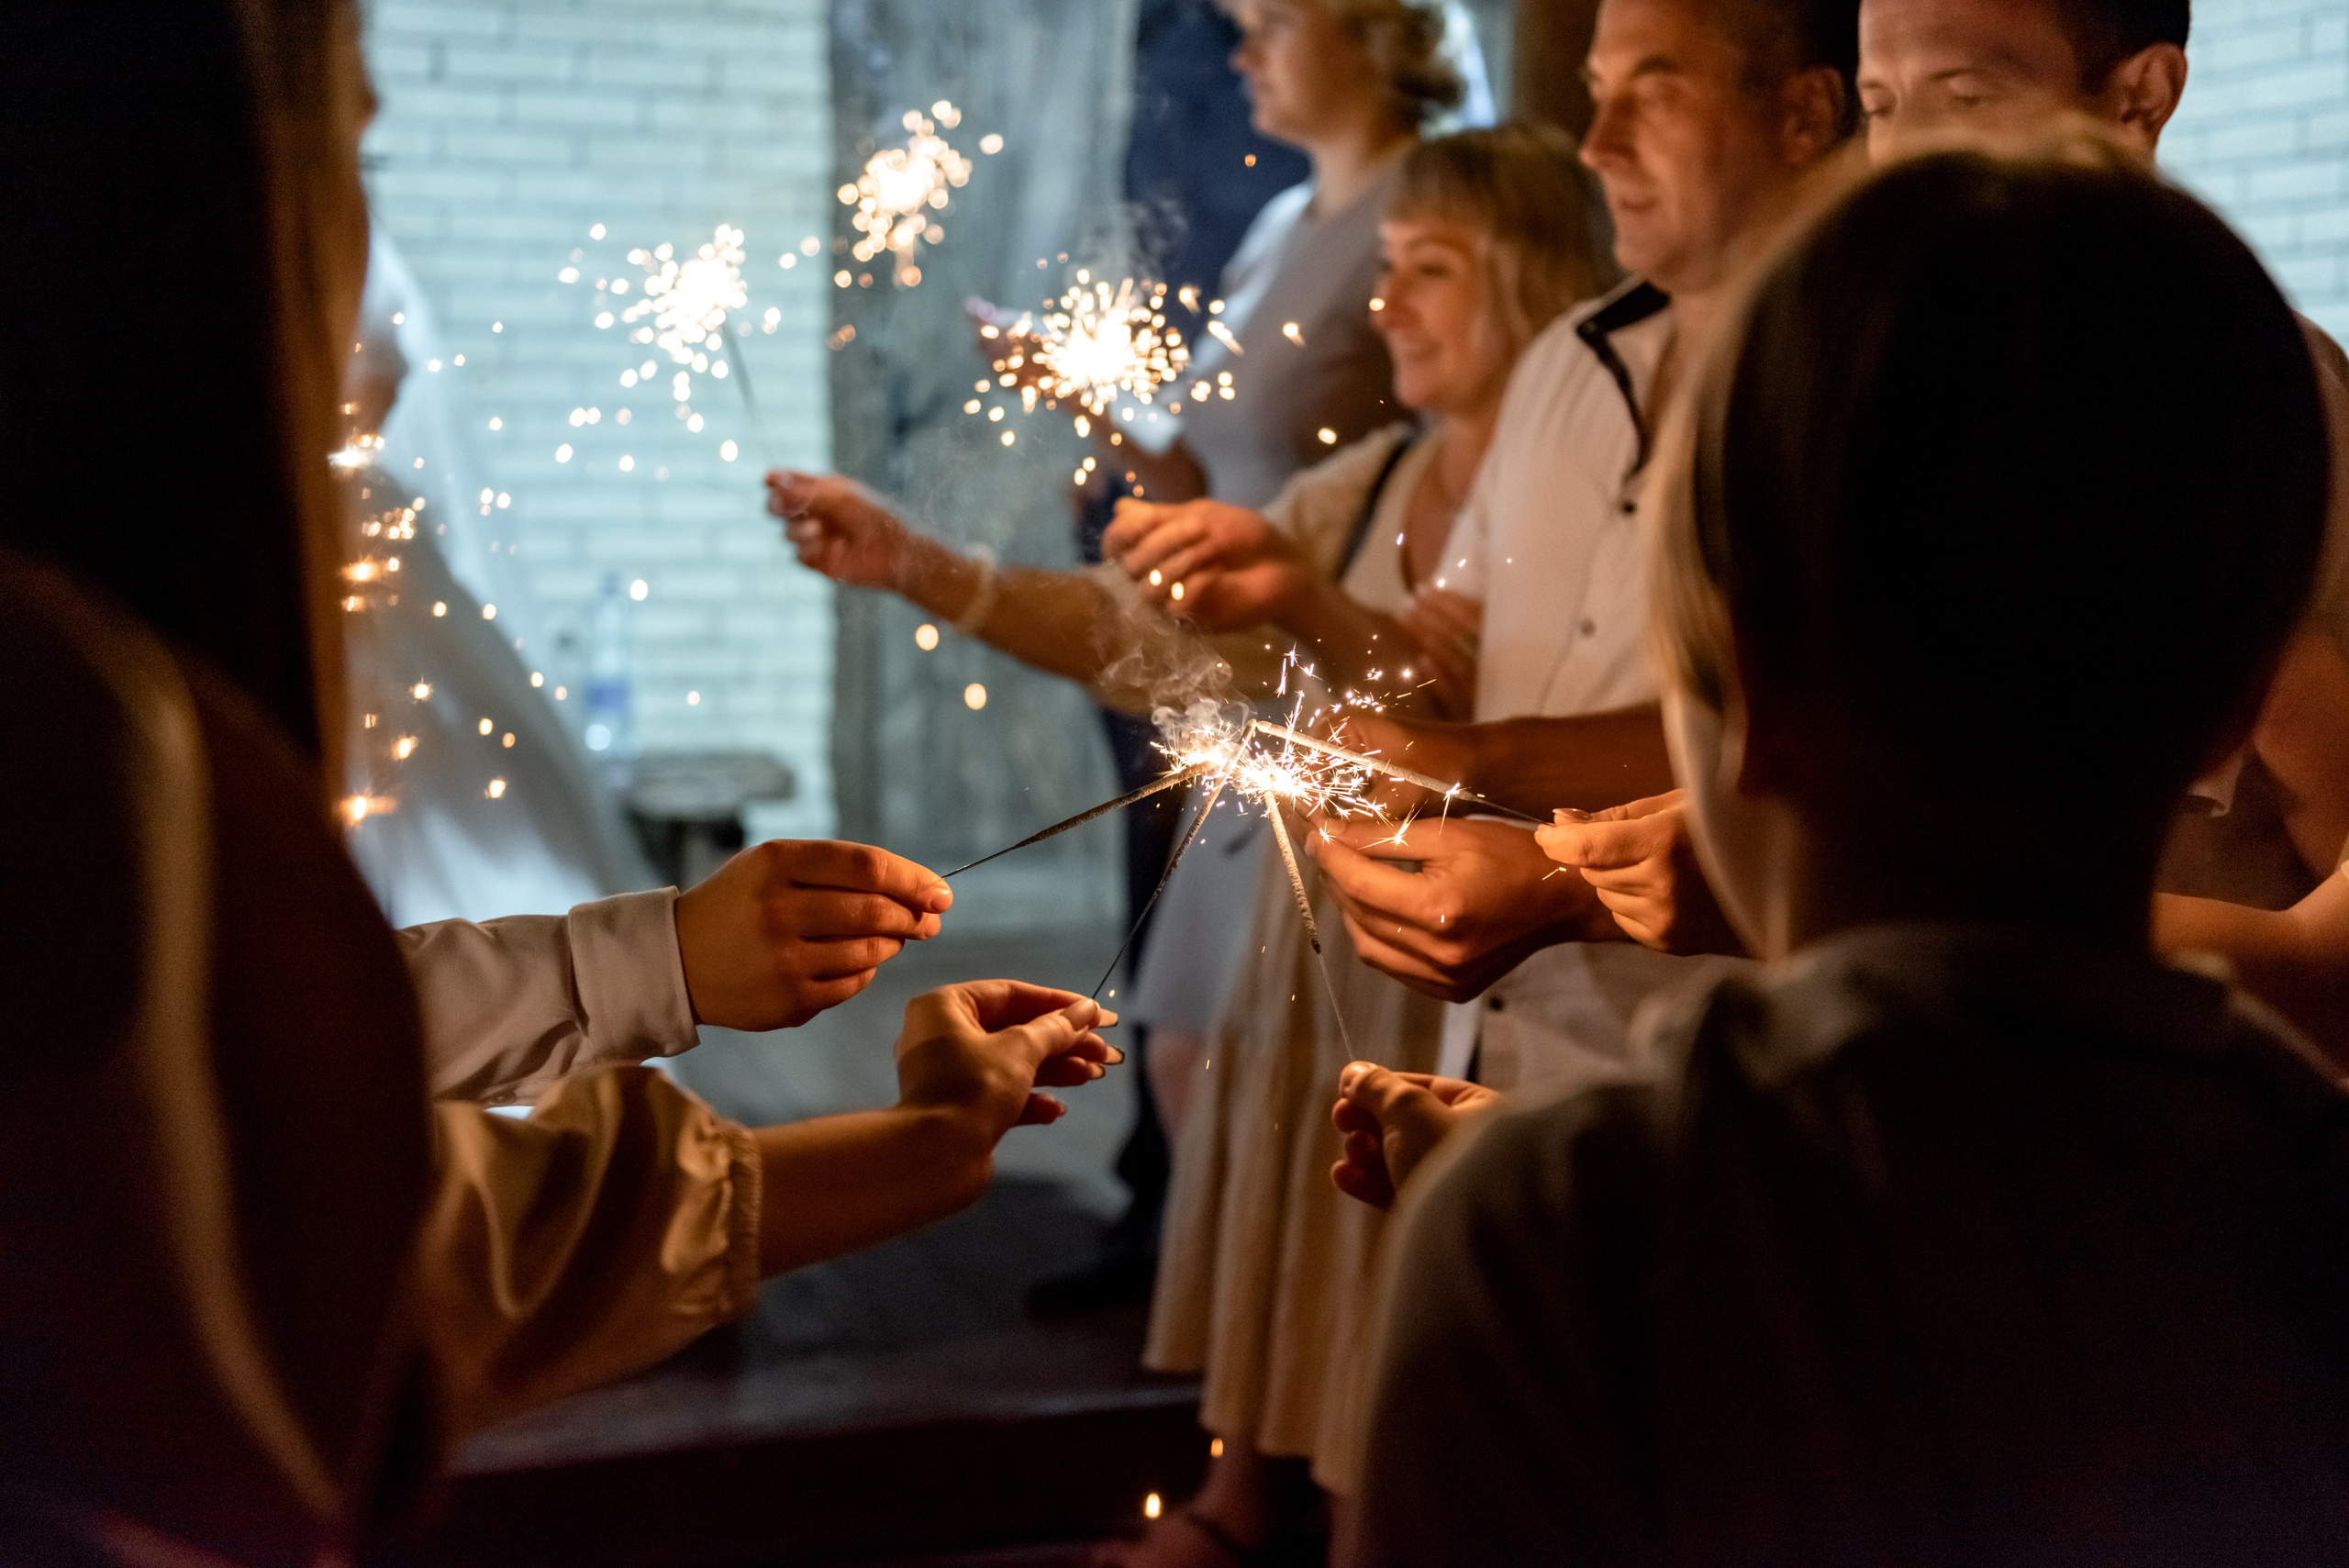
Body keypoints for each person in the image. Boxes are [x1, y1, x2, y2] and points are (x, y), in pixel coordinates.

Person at [0, 3, 1118, 1557]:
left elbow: (325, 1116)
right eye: (352, 143)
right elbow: (317, 1244)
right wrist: (894, 1135)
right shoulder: (71, 741)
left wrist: (669, 965)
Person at [1347, 144, 2349, 1566]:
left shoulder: (1565, 1239)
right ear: (2244, 707)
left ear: (1736, 686)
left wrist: (1539, 1211)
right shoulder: (2305, 1217)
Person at [771, 0, 1468, 1315]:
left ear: (1373, 32)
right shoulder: (1281, 226)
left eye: (1270, 25)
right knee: (1192, 1042)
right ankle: (1211, 1329)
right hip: (1227, 643)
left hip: (1330, 664)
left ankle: (1276, 1359)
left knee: (1268, 1058)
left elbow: (1392, 473)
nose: (1243, 50)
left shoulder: (1420, 207)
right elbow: (1208, 467)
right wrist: (1086, 401)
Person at [1534, 0, 2349, 1064]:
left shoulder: (2239, 396)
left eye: (1967, 97)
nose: (1909, 151)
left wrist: (1835, 899)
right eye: (1880, 105)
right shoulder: (1892, 381)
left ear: (2140, 96)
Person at [1076, 126, 1605, 1566]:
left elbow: (1459, 710)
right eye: (1383, 270)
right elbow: (1134, 643)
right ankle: (1243, 1508)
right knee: (1287, 1220)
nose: (1384, 308)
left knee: (1400, 1281)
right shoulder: (1370, 478)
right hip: (1327, 929)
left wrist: (1304, 605)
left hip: (1462, 955)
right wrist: (913, 565)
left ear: (1542, 278)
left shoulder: (1570, 498)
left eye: (1428, 270)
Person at [1301, 0, 1858, 1098]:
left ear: (1804, 113)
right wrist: (1368, 721)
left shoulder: (1864, 387)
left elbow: (1833, 745)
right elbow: (1451, 653)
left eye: (1653, 89)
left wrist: (1484, 761)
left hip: (1737, 1069)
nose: (1597, 145)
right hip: (1514, 1047)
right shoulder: (1566, 358)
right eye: (1598, 93)